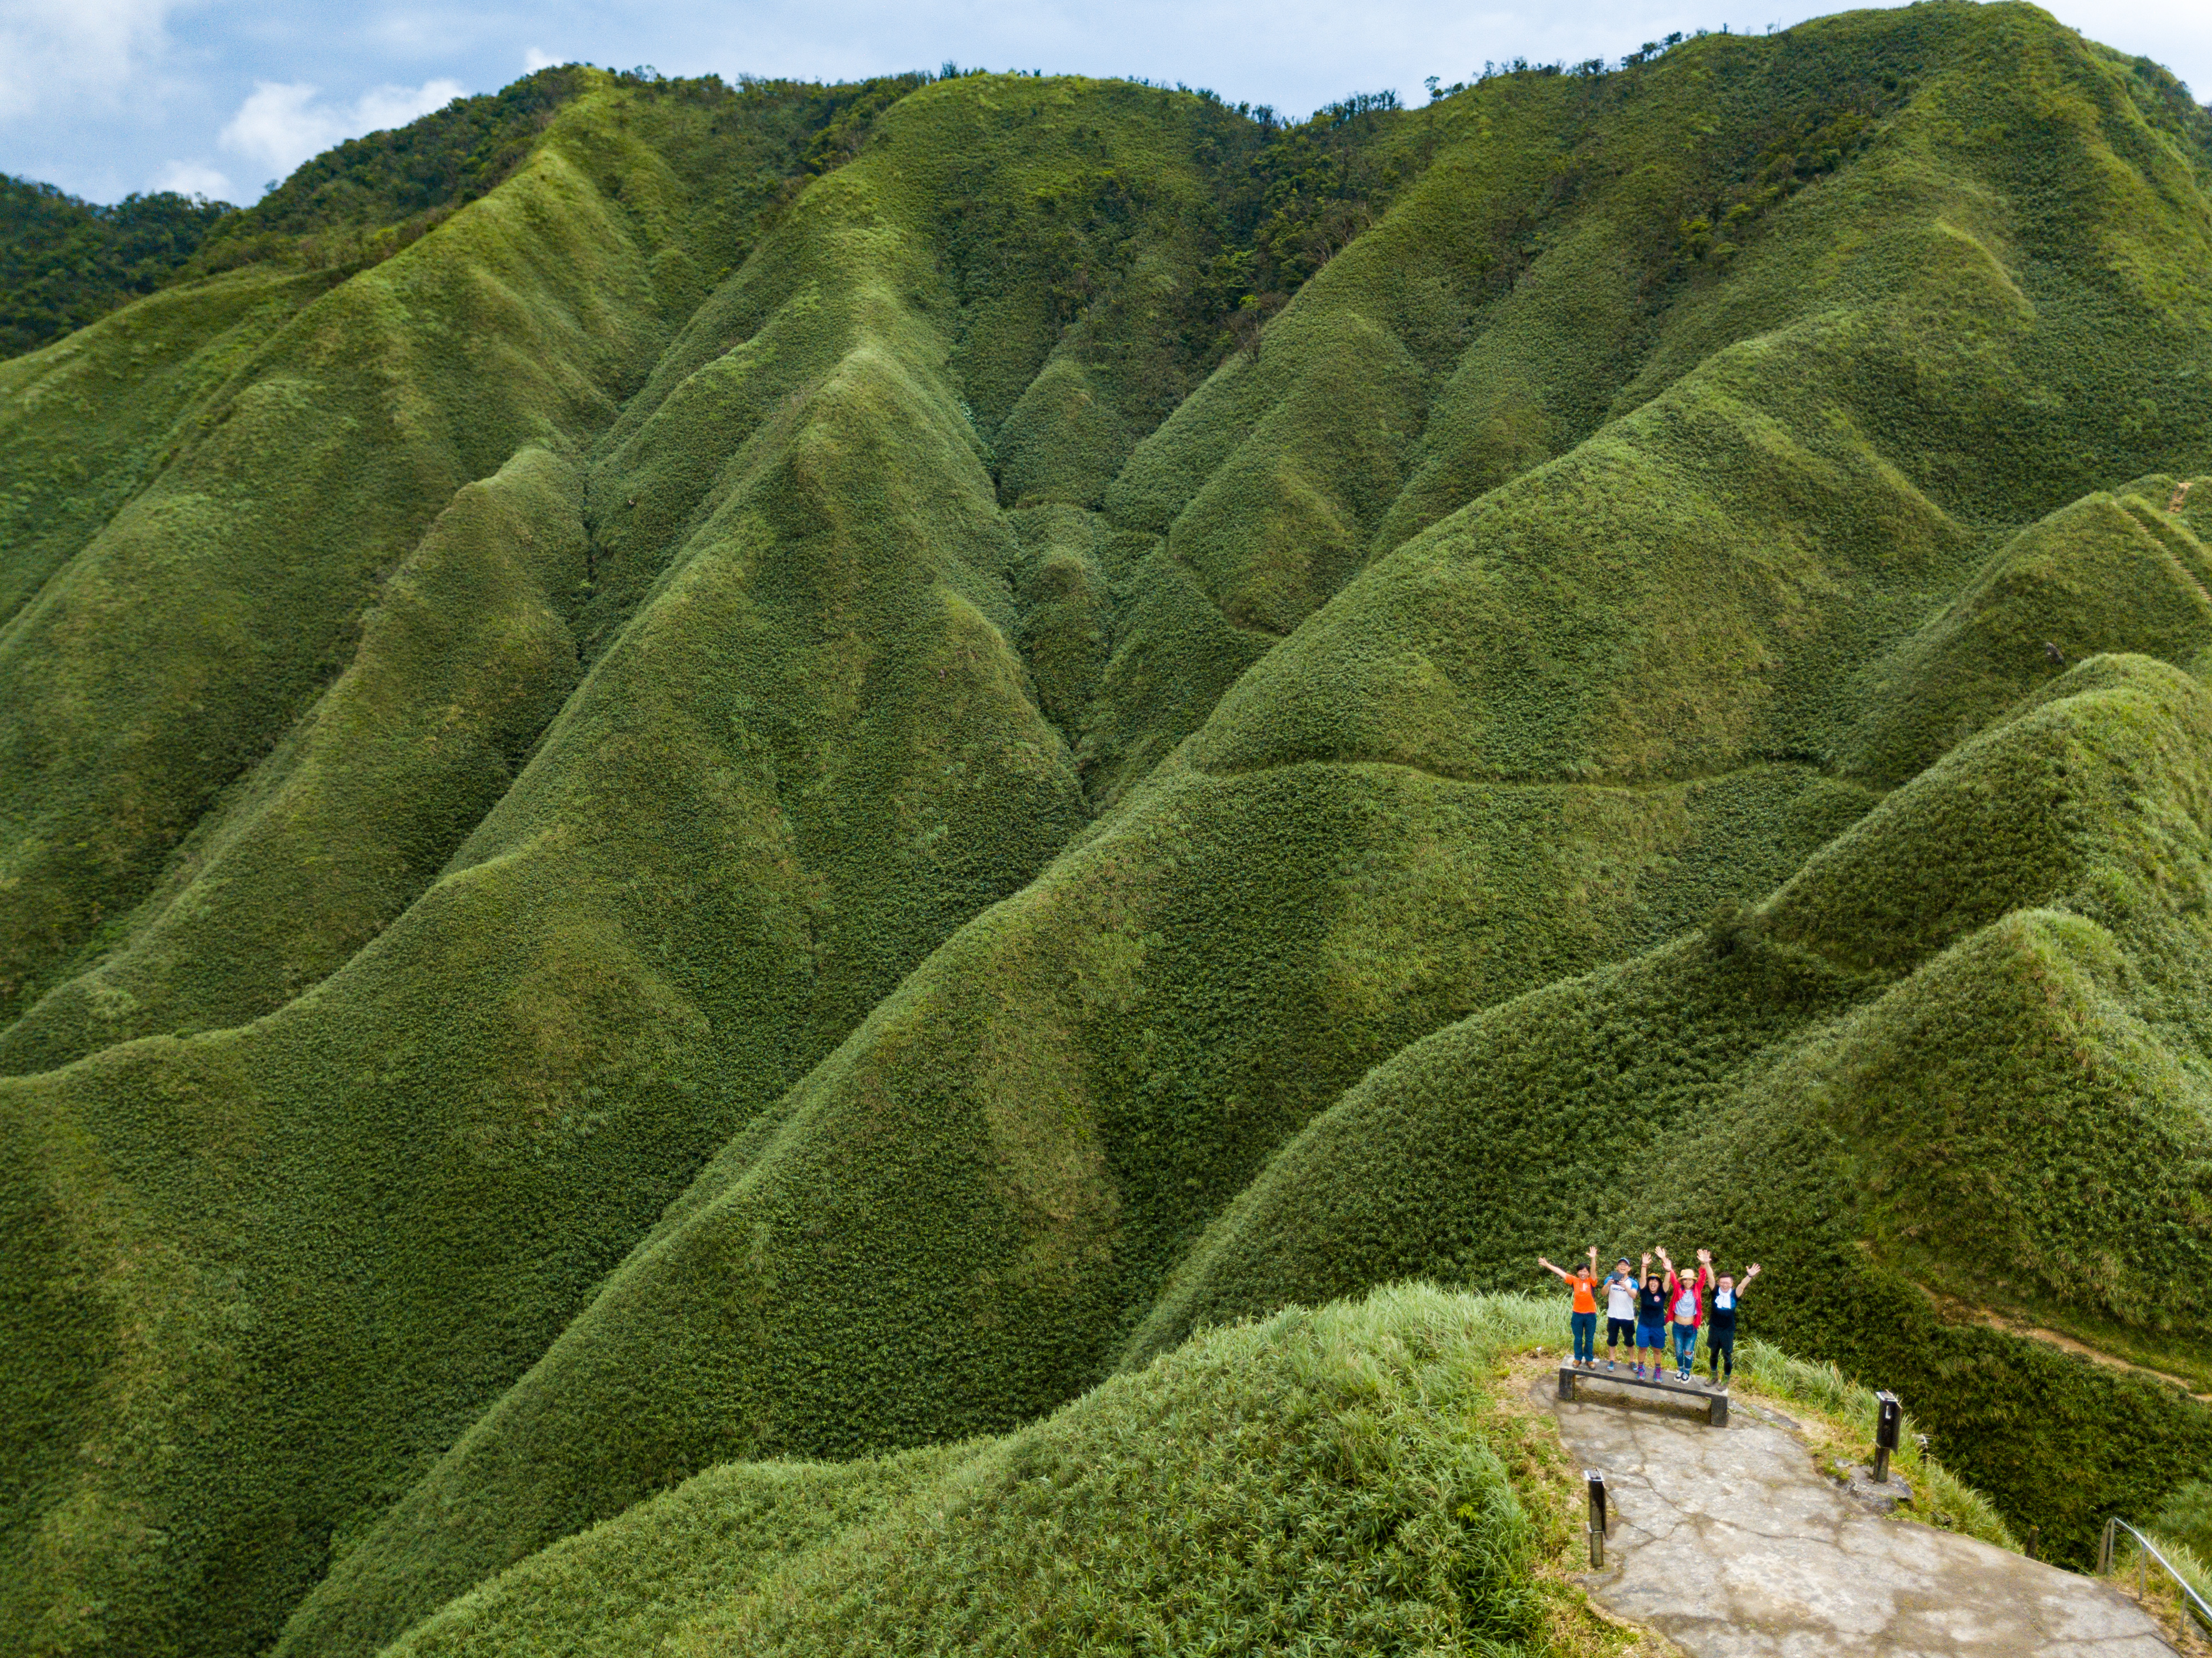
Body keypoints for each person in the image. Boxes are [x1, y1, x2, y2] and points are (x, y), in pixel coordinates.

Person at [1538, 1246, 1602, 1368]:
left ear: (1588, 1273)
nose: (1583, 1273)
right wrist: (1547, 1265)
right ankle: (1578, 1358)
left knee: (1589, 1338)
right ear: (1578, 1273)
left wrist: (1593, 1259)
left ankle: (1589, 1360)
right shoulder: (1574, 1281)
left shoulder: (1591, 1281)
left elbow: (1594, 1272)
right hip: (1577, 1314)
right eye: (1580, 1271)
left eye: (1585, 1271)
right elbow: (1560, 1272)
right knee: (1578, 1338)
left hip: (1590, 1314)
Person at [1656, 1246, 1712, 1382]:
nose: (1687, 1282)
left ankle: (1687, 1372)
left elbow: (1703, 1276)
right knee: (1679, 1351)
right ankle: (1680, 1370)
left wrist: (1703, 1263)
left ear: (1694, 1281)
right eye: (1685, 1279)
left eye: (1690, 1279)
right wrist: (1664, 1258)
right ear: (1682, 1281)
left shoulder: (1697, 1289)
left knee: (1688, 1350)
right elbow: (1671, 1274)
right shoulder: (1678, 1288)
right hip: (1678, 1327)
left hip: (1691, 1328)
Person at [1706, 1262, 1761, 1388]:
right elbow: (1710, 1277)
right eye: (1722, 1282)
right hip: (1714, 1328)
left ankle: (1726, 1379)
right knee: (1713, 1353)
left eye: (1727, 1283)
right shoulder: (1715, 1291)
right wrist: (1707, 1263)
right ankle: (1714, 1375)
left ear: (1732, 1284)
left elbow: (1742, 1285)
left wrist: (1749, 1276)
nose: (1725, 1285)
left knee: (1727, 1356)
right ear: (1719, 1283)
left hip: (1728, 1330)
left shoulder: (1735, 1294)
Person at [1600, 1256, 1638, 1371]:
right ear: (1617, 1267)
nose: (1623, 1266)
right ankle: (1612, 1360)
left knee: (1629, 1340)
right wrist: (1608, 1285)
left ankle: (1632, 1361)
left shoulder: (1633, 1282)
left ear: (1629, 1269)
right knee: (1612, 1339)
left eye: (1625, 1265)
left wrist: (1625, 1287)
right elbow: (1603, 1293)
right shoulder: (1610, 1279)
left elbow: (1634, 1296)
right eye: (1620, 1264)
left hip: (1627, 1316)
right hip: (1613, 1315)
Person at [1634, 1253, 1667, 1379]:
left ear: (1659, 1284)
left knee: (1657, 1350)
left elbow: (1667, 1281)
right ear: (1648, 1283)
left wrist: (1668, 1270)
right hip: (1644, 1325)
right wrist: (1644, 1265)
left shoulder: (1662, 1293)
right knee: (1642, 1348)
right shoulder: (1644, 1291)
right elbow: (1643, 1278)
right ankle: (1641, 1369)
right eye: (1651, 1280)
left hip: (1658, 1326)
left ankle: (1657, 1371)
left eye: (1656, 1281)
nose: (1653, 1282)